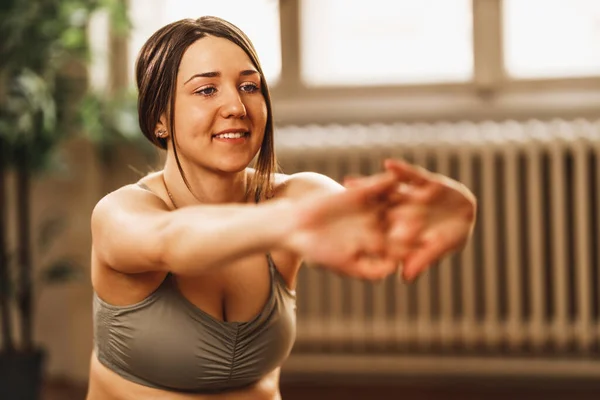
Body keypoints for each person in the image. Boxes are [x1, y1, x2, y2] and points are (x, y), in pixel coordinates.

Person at [86, 16, 476, 400]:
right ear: (159, 119)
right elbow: (172, 240)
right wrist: (296, 224)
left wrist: (451, 214)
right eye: (206, 90)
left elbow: (375, 226)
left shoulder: (296, 196)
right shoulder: (121, 212)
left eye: (249, 86)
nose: (236, 106)